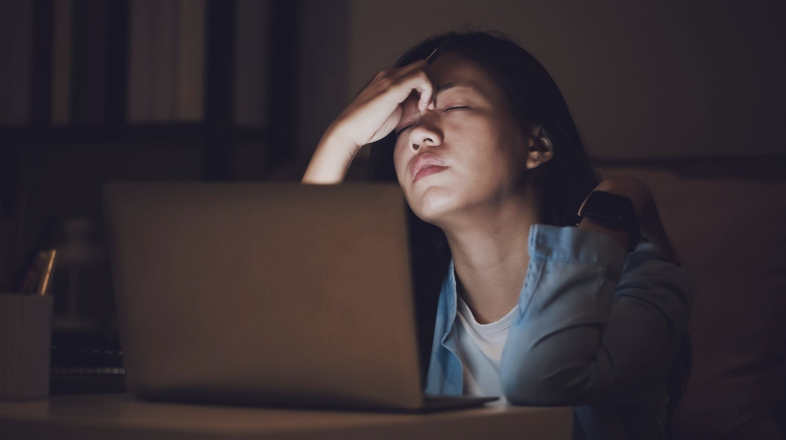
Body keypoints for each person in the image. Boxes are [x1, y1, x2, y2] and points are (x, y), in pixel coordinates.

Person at [302, 31, 692, 440]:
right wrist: (342, 138)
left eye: (454, 105)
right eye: (407, 124)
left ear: (537, 143)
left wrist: (612, 207)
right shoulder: (408, 304)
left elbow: (541, 378)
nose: (420, 135)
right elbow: (289, 331)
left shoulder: (647, 285)